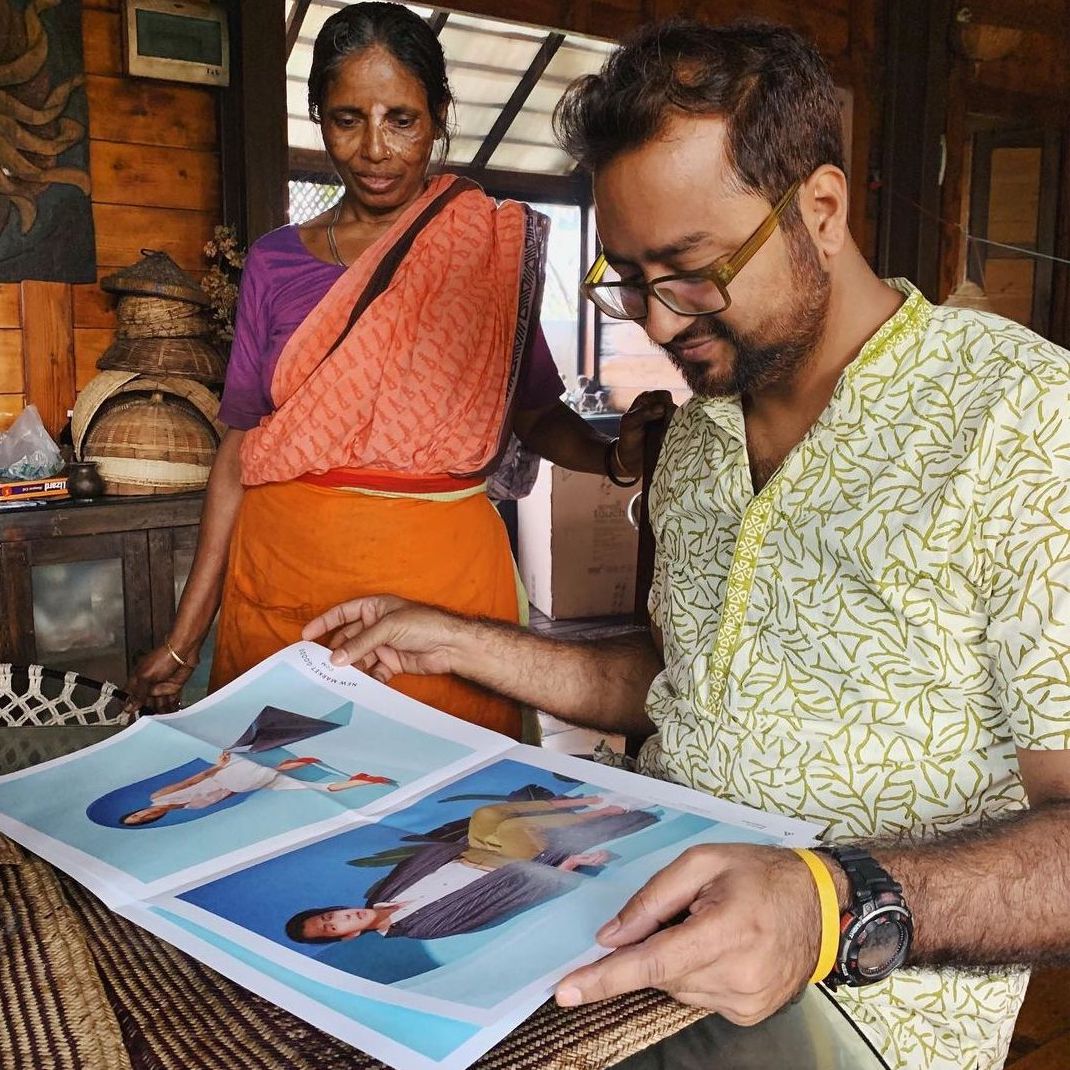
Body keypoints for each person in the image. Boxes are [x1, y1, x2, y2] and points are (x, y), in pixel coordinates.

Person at [298, 18, 1070, 1070]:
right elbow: (680, 684)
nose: (658, 324)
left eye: (692, 270)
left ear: (822, 210)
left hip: (857, 1014)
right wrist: (463, 640)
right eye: (627, 276)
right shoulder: (702, 431)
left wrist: (829, 904)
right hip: (626, 936)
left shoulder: (1019, 418)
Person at [123, 1, 667, 737]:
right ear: (319, 119)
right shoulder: (275, 263)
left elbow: (534, 415)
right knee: (282, 783)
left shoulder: (481, 251)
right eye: (348, 119)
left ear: (439, 116)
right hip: (284, 579)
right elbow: (239, 450)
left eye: (401, 119)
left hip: (443, 596)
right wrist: (184, 640)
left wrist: (613, 457)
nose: (375, 149)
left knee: (446, 792)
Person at [286, 794, 657, 942]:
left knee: (486, 814)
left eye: (331, 914)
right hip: (507, 871)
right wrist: (564, 867)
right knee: (511, 830)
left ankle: (583, 801)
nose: (342, 917)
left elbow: (426, 863)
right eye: (333, 927)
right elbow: (493, 907)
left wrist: (464, 846)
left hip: (472, 853)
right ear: (348, 936)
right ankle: (607, 812)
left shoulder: (380, 893)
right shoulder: (420, 928)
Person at [119, 751, 394, 826]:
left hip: (229, 776)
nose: (144, 815)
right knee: (305, 788)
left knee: (273, 776)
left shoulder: (157, 797)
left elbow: (191, 781)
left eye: (137, 814)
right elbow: (227, 797)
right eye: (141, 821)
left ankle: (288, 766)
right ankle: (362, 780)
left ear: (138, 810)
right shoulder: (189, 810)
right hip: (243, 786)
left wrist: (218, 766)